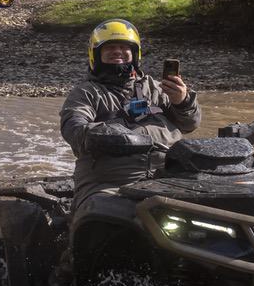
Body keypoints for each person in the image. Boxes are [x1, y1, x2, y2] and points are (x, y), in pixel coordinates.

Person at [60, 19, 200, 210]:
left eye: (124, 47)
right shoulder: (86, 92)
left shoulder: (157, 88)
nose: (117, 51)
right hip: (111, 182)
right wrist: (114, 136)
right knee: (104, 211)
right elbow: (73, 127)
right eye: (109, 48)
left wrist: (182, 101)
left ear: (135, 54)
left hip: (169, 175)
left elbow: (190, 124)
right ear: (96, 55)